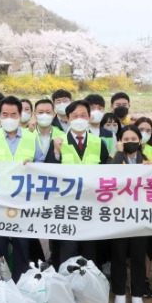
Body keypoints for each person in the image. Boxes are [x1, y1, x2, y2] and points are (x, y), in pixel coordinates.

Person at [0, 96, 45, 281]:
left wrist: (34, 165)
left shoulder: (31, 137)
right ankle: (2, 281)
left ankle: (21, 279)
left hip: (22, 201)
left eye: (13, 114)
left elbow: (42, 165)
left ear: (21, 115)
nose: (9, 117)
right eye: (5, 114)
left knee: (22, 243)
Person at [45, 100, 109, 267]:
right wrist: (56, 152)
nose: (79, 119)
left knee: (90, 249)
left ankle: (89, 285)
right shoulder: (58, 142)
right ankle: (66, 286)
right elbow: (47, 173)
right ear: (67, 118)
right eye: (75, 116)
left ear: (89, 118)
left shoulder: (98, 143)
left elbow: (108, 173)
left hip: (91, 205)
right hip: (67, 207)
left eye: (83, 115)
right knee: (68, 248)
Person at [108, 125, 149, 303]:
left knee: (139, 255)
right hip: (119, 215)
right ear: (120, 142)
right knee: (118, 255)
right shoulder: (115, 159)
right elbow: (108, 175)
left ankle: (138, 293)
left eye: (133, 139)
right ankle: (119, 292)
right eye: (125, 139)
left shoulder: (148, 161)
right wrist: (118, 154)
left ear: (140, 141)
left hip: (140, 215)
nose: (130, 142)